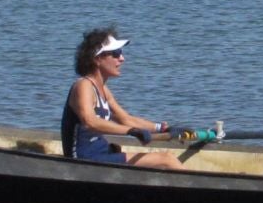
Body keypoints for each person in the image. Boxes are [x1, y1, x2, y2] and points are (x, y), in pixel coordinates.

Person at [62, 30, 190, 170]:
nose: (122, 58)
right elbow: (90, 122)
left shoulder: (103, 89)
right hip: (83, 159)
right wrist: (131, 131)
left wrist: (162, 128)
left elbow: (126, 119)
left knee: (159, 159)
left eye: (121, 52)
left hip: (101, 151)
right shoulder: (83, 86)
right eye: (116, 53)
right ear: (97, 59)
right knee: (166, 159)